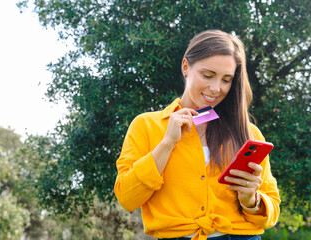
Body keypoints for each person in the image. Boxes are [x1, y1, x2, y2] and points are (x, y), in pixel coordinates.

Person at [114, 30, 280, 240]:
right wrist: (167, 142)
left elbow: (272, 209)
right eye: (208, 75)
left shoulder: (248, 132)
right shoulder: (146, 125)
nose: (216, 88)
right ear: (186, 67)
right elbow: (128, 199)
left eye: (226, 80)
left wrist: (251, 200)